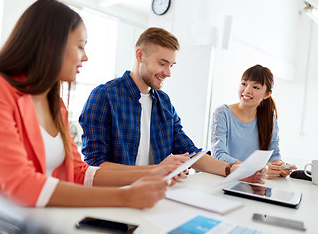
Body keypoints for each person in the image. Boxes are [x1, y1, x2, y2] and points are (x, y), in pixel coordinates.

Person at [0, 0, 177, 209]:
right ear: (51, 44)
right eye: (80, 46)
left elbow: (78, 172)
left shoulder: (55, 102)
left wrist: (154, 171)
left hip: (36, 218)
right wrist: (124, 197)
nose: (86, 57)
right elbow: (20, 183)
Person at [79, 27, 266, 182]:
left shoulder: (163, 102)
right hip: (114, 208)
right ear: (140, 55)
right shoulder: (104, 96)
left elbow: (190, 152)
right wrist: (157, 171)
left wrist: (232, 169)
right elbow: (95, 165)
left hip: (156, 200)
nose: (168, 73)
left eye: (172, 65)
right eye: (162, 63)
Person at [210, 64, 296, 179]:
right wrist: (255, 169)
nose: (247, 90)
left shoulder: (269, 117)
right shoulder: (222, 113)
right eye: (244, 84)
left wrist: (279, 167)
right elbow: (219, 155)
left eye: (255, 87)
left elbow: (274, 153)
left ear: (267, 94)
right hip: (225, 178)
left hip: (255, 182)